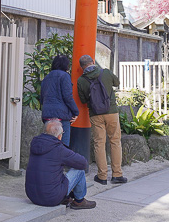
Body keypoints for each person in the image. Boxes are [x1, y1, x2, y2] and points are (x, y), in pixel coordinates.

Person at [77, 55, 127, 185]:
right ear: (93, 62)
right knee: (115, 141)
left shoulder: (81, 81)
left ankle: (102, 176)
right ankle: (117, 175)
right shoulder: (105, 72)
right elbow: (117, 83)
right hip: (111, 112)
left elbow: (83, 100)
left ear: (82, 66)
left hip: (95, 114)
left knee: (99, 143)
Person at [25, 119, 95, 210]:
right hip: (52, 198)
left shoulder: (35, 143)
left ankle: (66, 198)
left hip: (32, 196)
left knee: (52, 170)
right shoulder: (59, 149)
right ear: (59, 136)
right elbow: (83, 163)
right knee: (78, 170)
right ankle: (79, 201)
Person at [40, 54, 78, 147]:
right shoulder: (65, 76)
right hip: (61, 116)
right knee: (63, 146)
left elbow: (42, 98)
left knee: (49, 144)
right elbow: (68, 96)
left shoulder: (46, 77)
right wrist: (76, 112)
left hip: (47, 115)